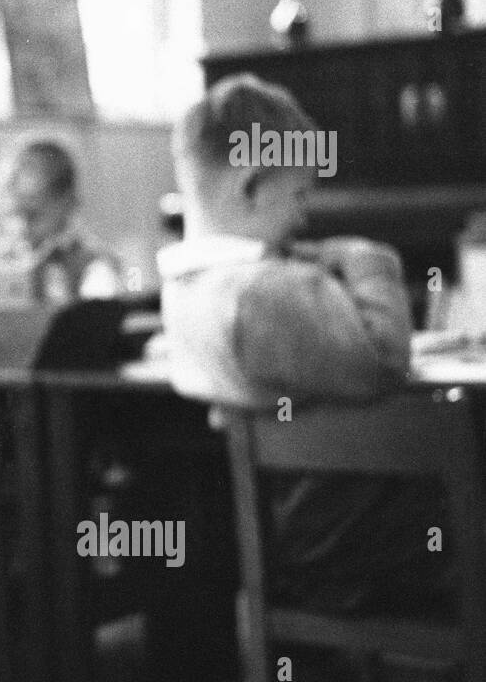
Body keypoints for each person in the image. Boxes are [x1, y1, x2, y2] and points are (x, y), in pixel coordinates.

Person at [158, 72, 447, 616]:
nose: (305, 216)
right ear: (251, 188)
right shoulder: (268, 292)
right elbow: (385, 361)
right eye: (299, 194)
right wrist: (369, 259)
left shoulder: (186, 289)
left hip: (291, 541)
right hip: (353, 546)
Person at [0, 139, 122, 303]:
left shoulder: (96, 267)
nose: (20, 228)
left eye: (33, 215)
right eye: (11, 215)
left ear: (68, 202)